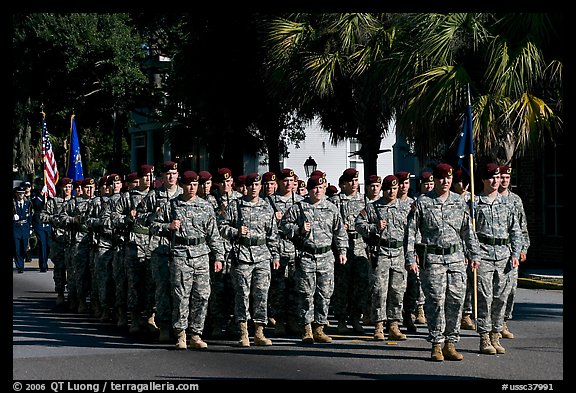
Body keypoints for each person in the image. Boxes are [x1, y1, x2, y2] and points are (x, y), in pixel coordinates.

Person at [405, 163, 481, 361]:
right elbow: (411, 232)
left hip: (456, 259)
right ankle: (436, 343)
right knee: (436, 302)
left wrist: (474, 254)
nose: (445, 182)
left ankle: (451, 343)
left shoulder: (458, 202)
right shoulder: (422, 202)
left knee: (455, 301)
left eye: (449, 178)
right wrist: (410, 257)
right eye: (441, 178)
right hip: (433, 260)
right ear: (434, 180)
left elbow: (468, 231)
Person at [153, 170, 225, 349]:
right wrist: (167, 226)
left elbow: (213, 234)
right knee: (181, 296)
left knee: (202, 296)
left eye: (195, 184)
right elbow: (153, 225)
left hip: (201, 254)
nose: (192, 188)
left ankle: (196, 333)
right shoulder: (172, 205)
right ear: (183, 185)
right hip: (180, 254)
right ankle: (180, 333)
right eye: (188, 184)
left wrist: (219, 256)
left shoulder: (206, 206)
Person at [280, 175, 348, 344]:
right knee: (306, 294)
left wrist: (342, 251)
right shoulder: (299, 208)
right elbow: (283, 226)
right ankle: (307, 328)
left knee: (325, 294)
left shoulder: (331, 208)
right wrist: (299, 229)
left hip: (326, 256)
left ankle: (319, 328)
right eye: (314, 188)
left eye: (320, 188)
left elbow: (339, 232)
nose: (318, 191)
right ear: (309, 190)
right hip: (307, 256)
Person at [219, 173, 280, 347]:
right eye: (251, 185)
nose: (254, 188)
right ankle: (243, 332)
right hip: (242, 255)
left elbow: (273, 235)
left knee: (261, 294)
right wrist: (236, 232)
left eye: (257, 185)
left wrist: (275, 255)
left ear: (261, 187)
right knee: (242, 295)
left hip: (262, 256)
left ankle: (259, 332)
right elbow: (222, 227)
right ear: (246, 187)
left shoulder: (267, 208)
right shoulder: (236, 206)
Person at [474, 163, 522, 355]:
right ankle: (484, 337)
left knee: (501, 298)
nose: (495, 181)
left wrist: (516, 253)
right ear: (483, 180)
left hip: (504, 255)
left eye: (497, 177)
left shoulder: (508, 203)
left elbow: (515, 230)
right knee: (484, 298)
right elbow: (469, 232)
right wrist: (472, 254)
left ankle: (496, 334)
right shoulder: (475, 202)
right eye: (491, 178)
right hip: (484, 255)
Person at [355, 175, 409, 341]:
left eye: (394, 188)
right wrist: (373, 228)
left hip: (399, 252)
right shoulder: (373, 208)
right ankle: (378, 324)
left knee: (397, 291)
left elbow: (413, 231)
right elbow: (358, 224)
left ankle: (394, 324)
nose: (391, 192)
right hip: (381, 252)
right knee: (379, 290)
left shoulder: (405, 207)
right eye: (388, 189)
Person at [139, 161, 183, 342]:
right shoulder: (153, 196)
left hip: (181, 251)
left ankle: (180, 327)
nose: (171, 177)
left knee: (180, 290)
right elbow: (141, 218)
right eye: (167, 174)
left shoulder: (184, 194)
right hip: (160, 250)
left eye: (173, 173)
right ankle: (164, 326)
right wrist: (158, 219)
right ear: (162, 177)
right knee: (163, 289)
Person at [329, 168, 371, 334]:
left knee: (360, 284)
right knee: (342, 285)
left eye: (356, 180)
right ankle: (341, 319)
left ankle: (356, 317)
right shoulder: (334, 201)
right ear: (343, 184)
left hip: (359, 246)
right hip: (342, 247)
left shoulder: (364, 201)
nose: (354, 184)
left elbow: (370, 221)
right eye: (350, 181)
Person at [264, 168, 304, 336]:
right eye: (284, 181)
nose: (288, 184)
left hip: (296, 250)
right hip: (278, 249)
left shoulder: (301, 201)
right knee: (278, 288)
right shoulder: (269, 202)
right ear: (279, 182)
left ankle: (294, 319)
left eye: (291, 180)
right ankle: (279, 320)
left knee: (296, 287)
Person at [205, 167, 244, 338]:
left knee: (234, 288)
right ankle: (215, 323)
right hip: (217, 250)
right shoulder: (209, 200)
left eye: (228, 182)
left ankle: (233, 323)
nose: (226, 185)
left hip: (235, 251)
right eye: (223, 182)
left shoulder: (239, 200)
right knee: (217, 290)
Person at [498, 165, 530, 339]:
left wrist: (523, 248)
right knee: (495, 291)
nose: (504, 180)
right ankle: (493, 324)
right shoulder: (487, 197)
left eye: (507, 178)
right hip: (493, 251)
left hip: (512, 250)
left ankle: (504, 322)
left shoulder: (515, 200)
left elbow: (522, 226)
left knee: (510, 289)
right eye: (501, 177)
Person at [41, 177, 74, 306]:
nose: (67, 189)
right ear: (61, 188)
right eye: (65, 187)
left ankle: (72, 295)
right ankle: (60, 293)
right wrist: (56, 219)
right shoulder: (53, 202)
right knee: (60, 269)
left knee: (73, 270)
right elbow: (42, 216)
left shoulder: (76, 202)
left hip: (72, 240)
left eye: (69, 187)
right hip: (58, 241)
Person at [451, 169, 476, 331]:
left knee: (470, 284)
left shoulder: (473, 199)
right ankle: (457, 314)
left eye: (466, 181)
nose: (464, 185)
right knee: (456, 286)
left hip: (471, 247)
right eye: (460, 181)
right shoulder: (451, 200)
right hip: (456, 250)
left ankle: (467, 313)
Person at [395, 171, 418, 333]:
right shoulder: (390, 203)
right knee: (396, 287)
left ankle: (408, 315)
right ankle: (394, 319)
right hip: (394, 250)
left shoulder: (414, 204)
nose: (404, 186)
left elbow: (419, 229)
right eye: (401, 183)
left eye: (406, 183)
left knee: (412, 285)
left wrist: (417, 249)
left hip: (410, 250)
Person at [30, 180, 51, 272]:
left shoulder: (50, 194)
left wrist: (48, 194)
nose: (41, 186)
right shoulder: (35, 193)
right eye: (40, 185)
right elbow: (36, 204)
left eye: (43, 185)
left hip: (49, 220)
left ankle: (45, 261)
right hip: (39, 220)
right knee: (42, 242)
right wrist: (42, 193)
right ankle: (43, 265)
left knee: (48, 244)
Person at [13, 186, 32, 273]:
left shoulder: (28, 204)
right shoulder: (13, 204)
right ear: (16, 194)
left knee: (23, 248)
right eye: (19, 193)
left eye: (22, 193)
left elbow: (30, 216)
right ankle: (20, 266)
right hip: (16, 228)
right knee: (16, 248)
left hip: (25, 227)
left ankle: (22, 261)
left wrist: (30, 227)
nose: (21, 195)